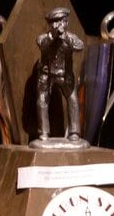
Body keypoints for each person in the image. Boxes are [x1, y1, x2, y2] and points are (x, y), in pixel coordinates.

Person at [33, 7, 86, 142]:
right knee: (42, 101)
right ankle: (43, 132)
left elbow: (80, 46)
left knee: (73, 100)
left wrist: (65, 36)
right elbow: (43, 45)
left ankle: (74, 132)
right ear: (50, 24)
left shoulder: (69, 38)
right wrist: (53, 36)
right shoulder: (44, 38)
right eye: (55, 23)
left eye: (62, 22)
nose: (59, 26)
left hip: (65, 75)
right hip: (47, 75)